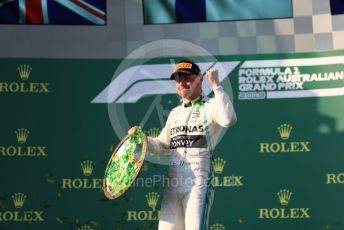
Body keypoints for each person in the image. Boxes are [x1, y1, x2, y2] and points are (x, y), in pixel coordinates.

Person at [128, 60, 237, 230]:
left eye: (187, 78)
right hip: (173, 185)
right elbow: (161, 144)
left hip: (198, 184)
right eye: (178, 80)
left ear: (200, 79)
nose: (182, 83)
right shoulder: (175, 113)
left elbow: (229, 119)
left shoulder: (212, 105)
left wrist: (216, 85)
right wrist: (141, 139)